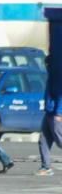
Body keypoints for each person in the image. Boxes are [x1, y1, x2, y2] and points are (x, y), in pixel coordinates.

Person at [37, 48, 62, 176]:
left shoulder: (58, 76)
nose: (46, 67)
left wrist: (59, 113)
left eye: (47, 65)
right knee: (43, 139)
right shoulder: (52, 76)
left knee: (60, 139)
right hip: (49, 111)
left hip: (56, 113)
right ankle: (46, 167)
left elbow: (60, 95)